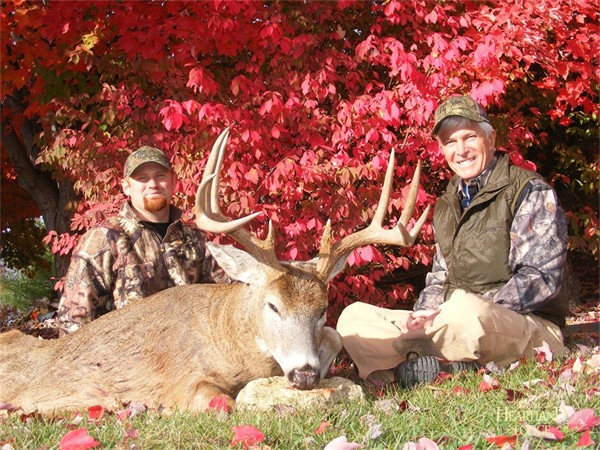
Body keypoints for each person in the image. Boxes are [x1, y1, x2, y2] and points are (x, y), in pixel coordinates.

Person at [337, 95, 570, 387]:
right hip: (454, 321)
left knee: (463, 309)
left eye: (469, 137)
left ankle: (406, 364)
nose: (461, 150)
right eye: (450, 142)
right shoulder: (448, 203)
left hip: (524, 324)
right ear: (442, 149)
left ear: (491, 138)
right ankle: (436, 363)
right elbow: (439, 279)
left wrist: (465, 306)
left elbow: (540, 278)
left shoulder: (528, 190)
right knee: (354, 318)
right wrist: (422, 316)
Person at [56, 146, 230, 335]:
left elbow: (224, 298)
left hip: (188, 356)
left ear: (173, 180)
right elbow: (73, 323)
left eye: (160, 176)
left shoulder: (194, 238)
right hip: (126, 360)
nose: (153, 184)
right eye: (142, 178)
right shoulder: (105, 238)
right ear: (126, 186)